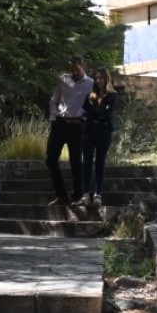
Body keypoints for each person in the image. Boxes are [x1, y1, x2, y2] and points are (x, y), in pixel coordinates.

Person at [45, 56, 92, 207]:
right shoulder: (64, 80)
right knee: (51, 159)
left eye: (77, 69)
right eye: (72, 69)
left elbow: (93, 105)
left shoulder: (90, 84)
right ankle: (61, 195)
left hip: (77, 126)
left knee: (76, 161)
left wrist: (84, 119)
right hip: (60, 124)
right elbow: (54, 100)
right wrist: (53, 118)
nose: (74, 73)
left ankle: (78, 195)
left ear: (83, 66)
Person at [81, 66, 120, 207]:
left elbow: (108, 114)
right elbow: (85, 112)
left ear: (106, 78)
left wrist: (95, 111)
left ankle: (98, 194)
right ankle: (85, 193)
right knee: (86, 162)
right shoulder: (90, 95)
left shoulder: (113, 95)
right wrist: (100, 111)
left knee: (100, 162)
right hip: (89, 130)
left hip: (104, 131)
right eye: (96, 78)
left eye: (101, 77)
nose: (98, 80)